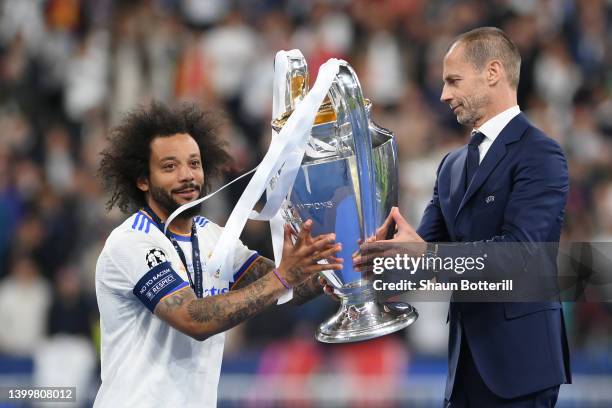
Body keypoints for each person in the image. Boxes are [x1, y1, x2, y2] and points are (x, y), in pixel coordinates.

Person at [345, 27, 571, 407]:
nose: (444, 95)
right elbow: (421, 254)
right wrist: (373, 265)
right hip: (463, 368)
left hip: (521, 368)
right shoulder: (451, 165)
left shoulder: (541, 154)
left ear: (493, 73)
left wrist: (427, 255)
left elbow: (521, 256)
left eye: (453, 81)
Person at [94, 102, 342, 407]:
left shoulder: (213, 236)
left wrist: (346, 267)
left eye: (194, 164)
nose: (187, 176)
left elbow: (295, 287)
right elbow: (193, 318)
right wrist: (283, 277)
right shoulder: (131, 242)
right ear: (143, 179)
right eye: (170, 167)